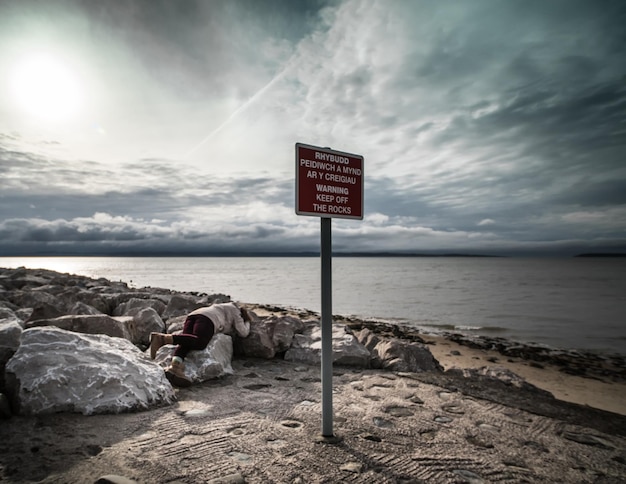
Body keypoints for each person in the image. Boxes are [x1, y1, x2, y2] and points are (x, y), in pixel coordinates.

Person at [149, 302, 252, 387]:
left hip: (193, 316)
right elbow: (243, 332)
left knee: (187, 342)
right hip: (208, 319)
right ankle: (162, 339)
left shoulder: (223, 306)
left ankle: (175, 366)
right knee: (200, 342)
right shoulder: (235, 310)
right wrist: (247, 322)